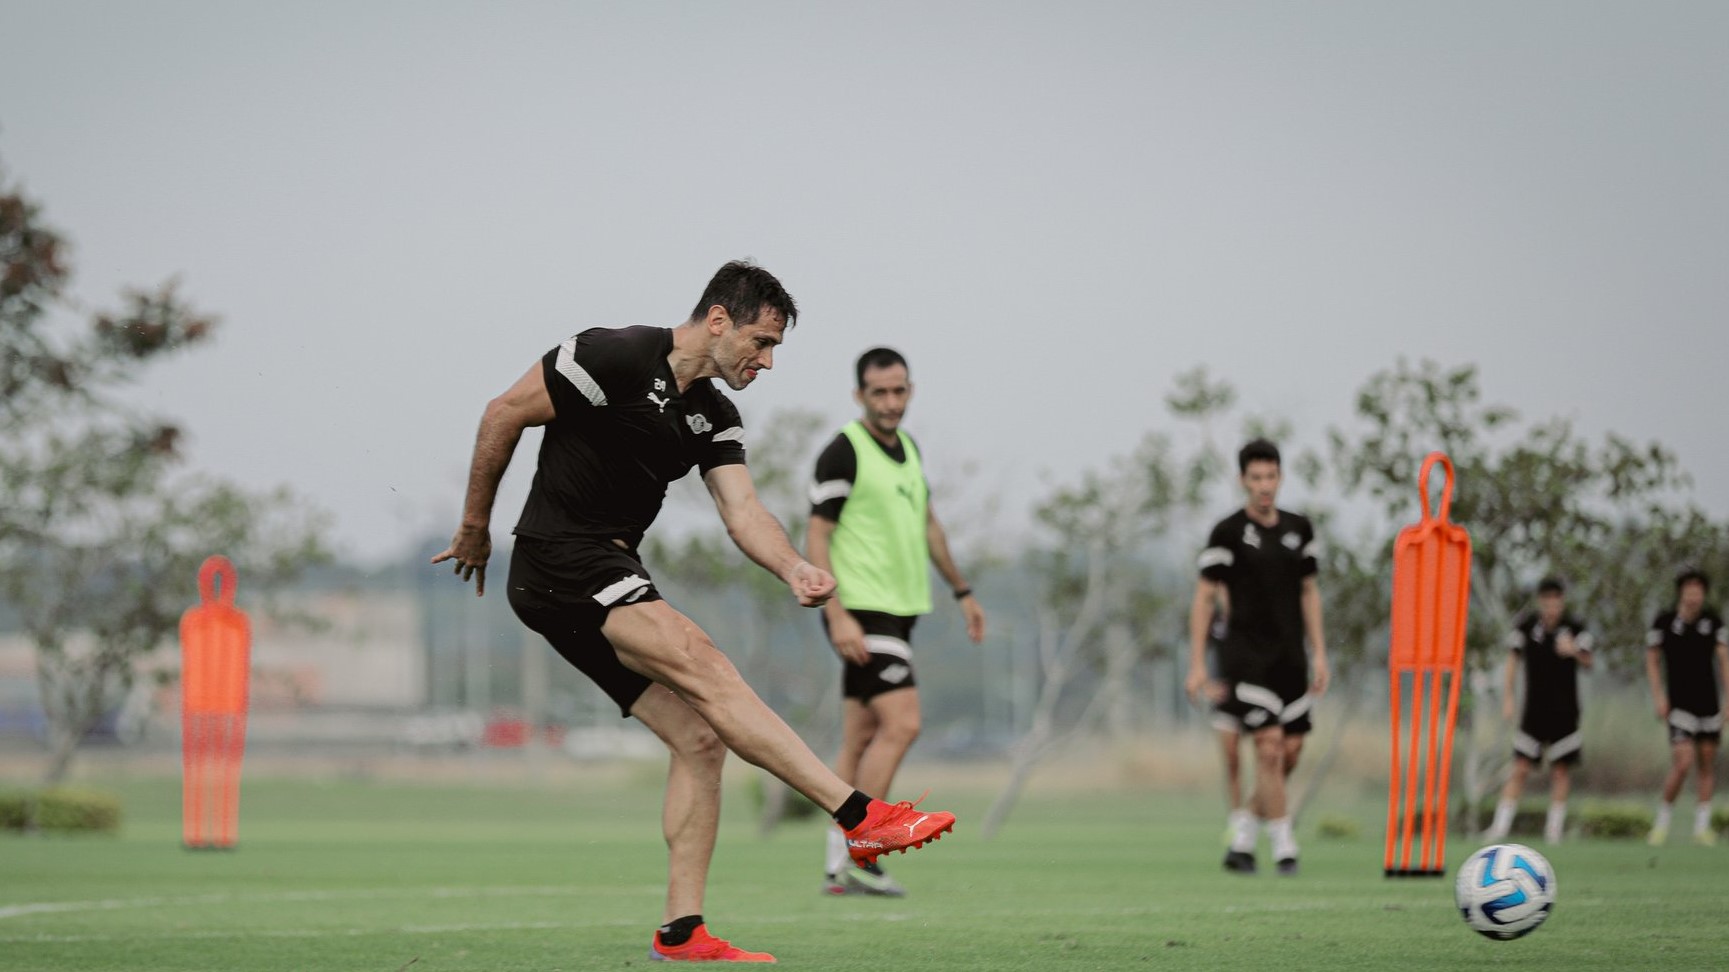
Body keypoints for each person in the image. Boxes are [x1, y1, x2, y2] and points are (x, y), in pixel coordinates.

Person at [431, 262, 955, 964]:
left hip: (600, 574)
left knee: (699, 740)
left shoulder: (711, 413)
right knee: (702, 659)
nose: (765, 362)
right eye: (760, 343)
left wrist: (792, 565)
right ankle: (860, 816)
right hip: (559, 560)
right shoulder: (608, 355)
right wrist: (474, 526)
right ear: (717, 319)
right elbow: (503, 413)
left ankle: (681, 933)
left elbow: (743, 511)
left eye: (774, 350)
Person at [804, 347, 986, 897]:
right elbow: (817, 535)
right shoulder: (842, 452)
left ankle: (839, 863)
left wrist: (963, 590)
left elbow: (929, 526)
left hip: (901, 613)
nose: (890, 402)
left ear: (910, 391)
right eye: (879, 392)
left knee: (860, 738)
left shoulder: (908, 449)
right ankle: (867, 849)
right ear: (860, 395)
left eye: (899, 391)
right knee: (903, 724)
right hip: (861, 610)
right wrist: (836, 616)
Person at [1185, 438, 1330, 875]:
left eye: (1271, 477)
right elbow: (1204, 597)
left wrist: (1320, 653)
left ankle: (1245, 831)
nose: (1264, 486)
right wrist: (1196, 663)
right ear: (1243, 481)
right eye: (1256, 478)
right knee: (1266, 748)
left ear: (1280, 478)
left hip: (1291, 659)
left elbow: (1309, 592)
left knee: (1289, 752)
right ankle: (1285, 845)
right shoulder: (1227, 532)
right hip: (1246, 659)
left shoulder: (1299, 529)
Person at [1484, 577, 1593, 845]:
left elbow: (1589, 662)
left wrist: (1574, 651)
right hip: (1533, 711)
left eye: (1556, 600)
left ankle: (1553, 831)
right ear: (1540, 601)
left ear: (1562, 601)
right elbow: (1512, 662)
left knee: (1560, 771)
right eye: (1546, 600)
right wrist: (1508, 698)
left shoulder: (1575, 628)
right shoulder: (1526, 626)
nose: (1551, 606)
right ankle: (1499, 829)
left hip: (1565, 711)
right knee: (1520, 768)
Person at [1644, 567, 1728, 846]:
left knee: (1706, 764)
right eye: (1689, 590)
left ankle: (1702, 828)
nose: (1694, 595)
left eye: (1698, 590)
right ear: (1681, 592)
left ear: (1703, 594)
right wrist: (1658, 697)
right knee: (1683, 762)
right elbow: (1653, 661)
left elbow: (1724, 661)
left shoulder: (1712, 621)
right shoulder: (1664, 622)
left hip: (1710, 705)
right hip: (1679, 706)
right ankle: (1661, 824)